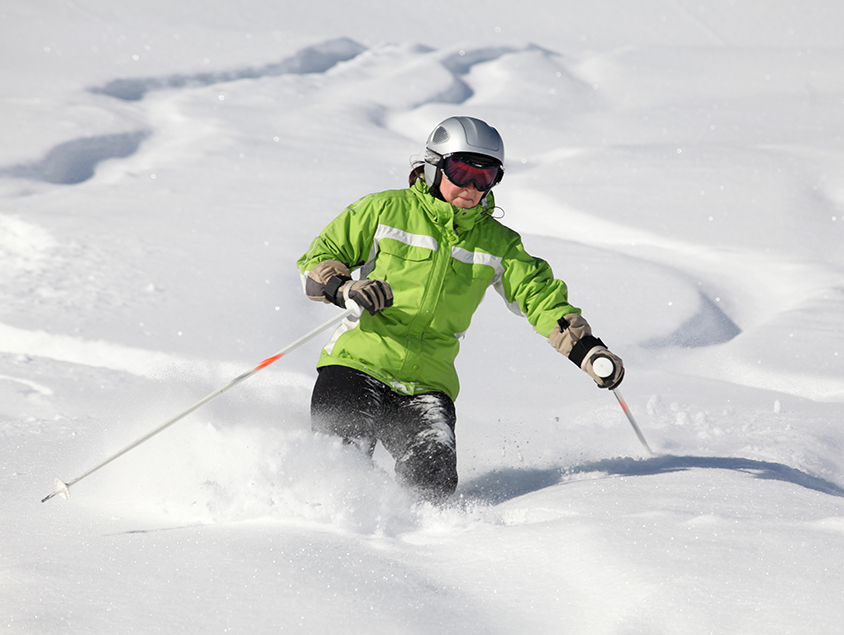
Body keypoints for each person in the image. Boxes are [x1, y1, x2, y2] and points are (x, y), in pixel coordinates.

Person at [297, 116, 624, 504]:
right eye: (461, 171)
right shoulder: (385, 211)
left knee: (433, 487)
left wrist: (587, 350)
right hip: (357, 363)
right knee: (339, 465)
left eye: (485, 178)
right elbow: (318, 262)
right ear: (435, 167)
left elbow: (540, 297)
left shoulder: (498, 243)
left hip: (426, 385)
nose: (471, 188)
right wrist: (348, 287)